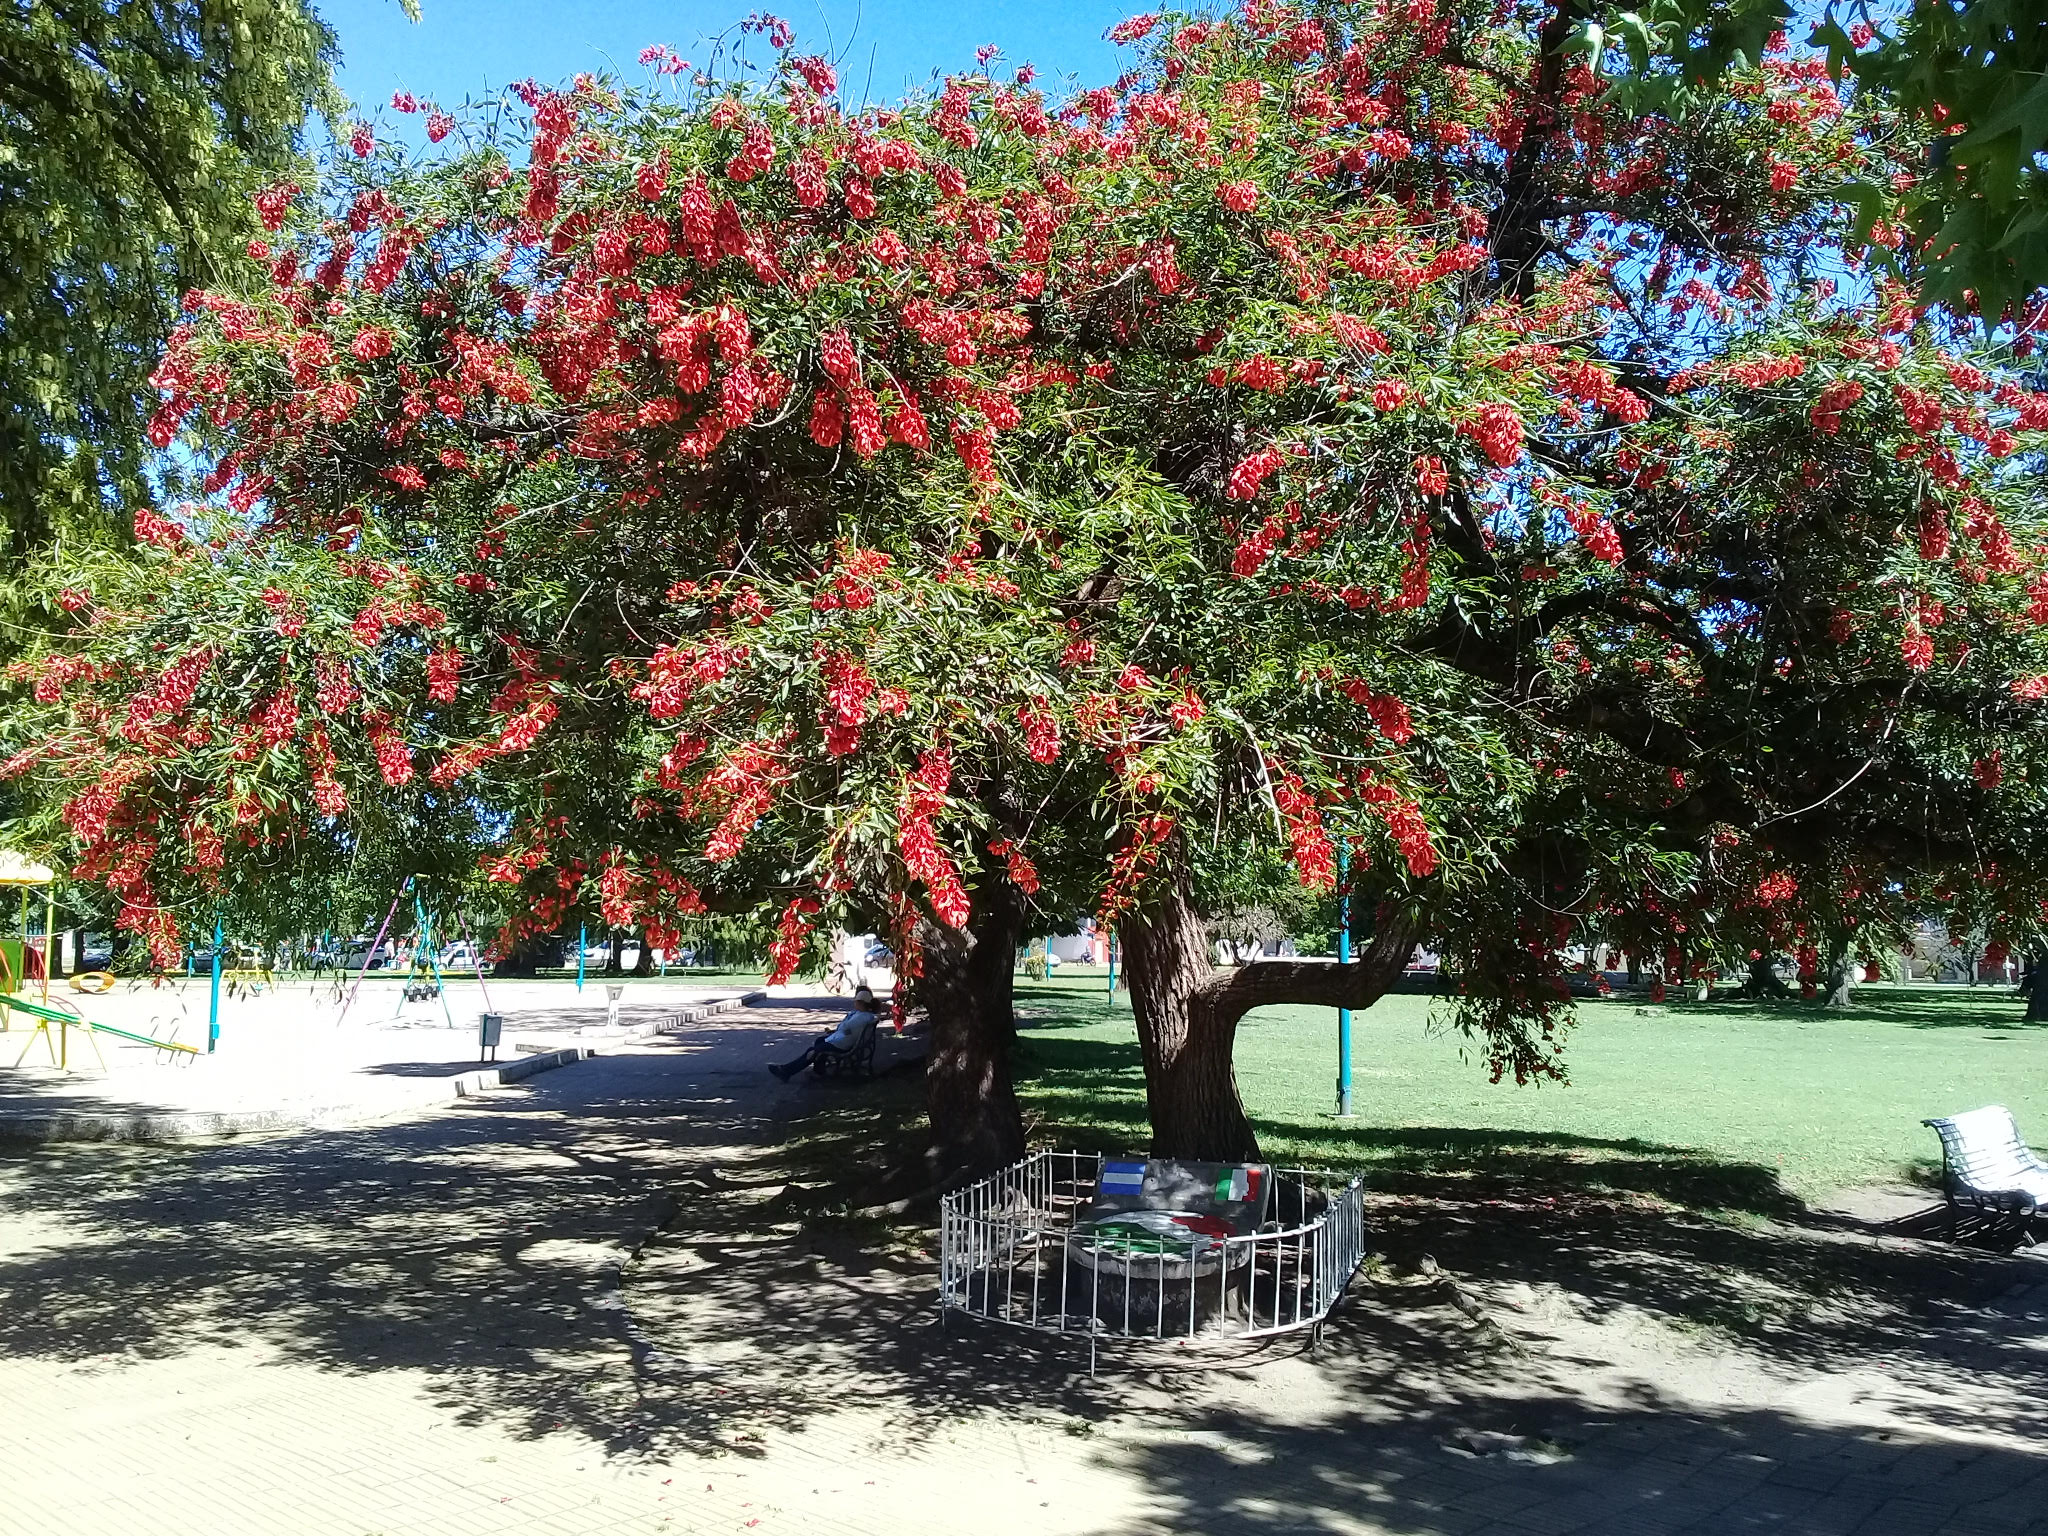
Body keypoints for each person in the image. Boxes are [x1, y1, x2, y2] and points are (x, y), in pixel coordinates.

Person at [770, 986, 880, 1080]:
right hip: (844, 1040)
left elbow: (845, 1027)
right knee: (819, 1042)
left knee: (813, 1051)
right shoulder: (863, 1015)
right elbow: (848, 1030)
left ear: (861, 1003)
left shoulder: (862, 1017)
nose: (854, 1003)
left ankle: (787, 1071)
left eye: (856, 1001)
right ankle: (817, 1069)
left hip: (843, 1044)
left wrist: (839, 1029)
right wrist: (836, 1031)